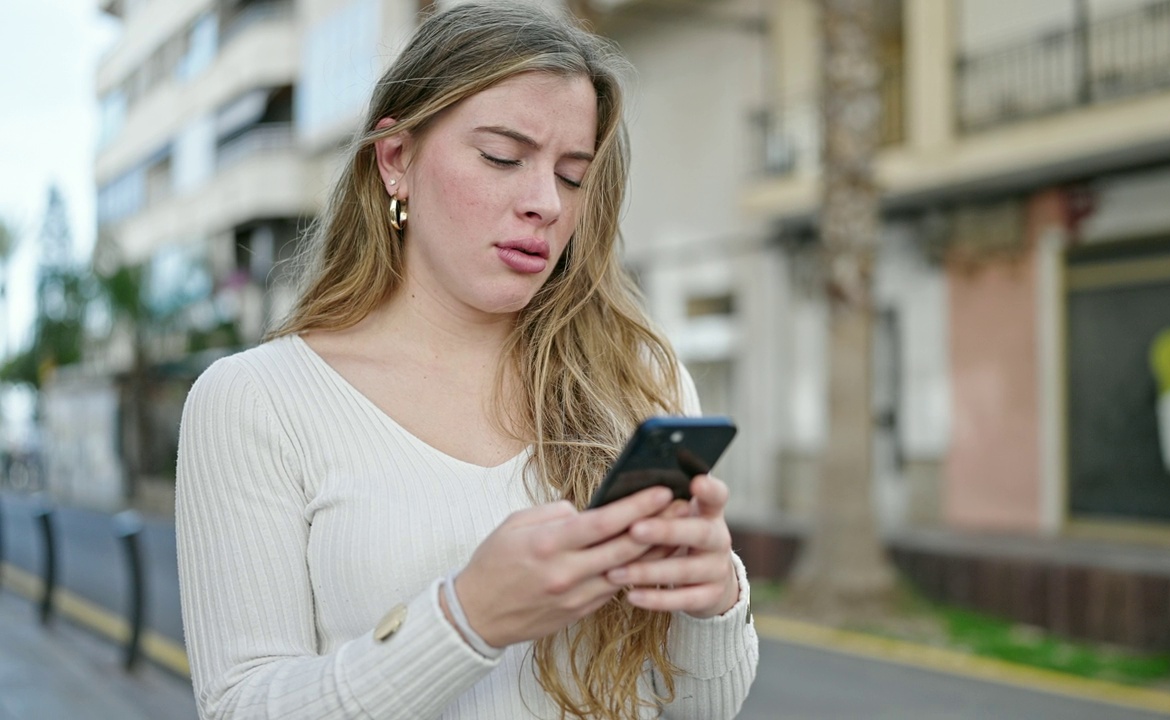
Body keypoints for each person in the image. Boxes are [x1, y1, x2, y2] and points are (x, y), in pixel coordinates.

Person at [174, 3, 759, 718]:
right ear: (396, 160)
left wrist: (714, 603)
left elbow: (703, 710)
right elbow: (242, 707)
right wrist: (465, 618)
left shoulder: (641, 377)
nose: (544, 202)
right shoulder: (255, 401)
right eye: (502, 157)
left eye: (573, 175)